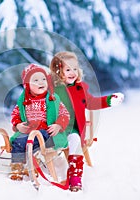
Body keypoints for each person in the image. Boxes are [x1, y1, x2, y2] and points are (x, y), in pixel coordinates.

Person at [49, 51, 124, 192]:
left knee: (75, 141)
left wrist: (109, 100)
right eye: (68, 69)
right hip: (56, 130)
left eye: (75, 69)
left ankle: (75, 177)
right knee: (59, 140)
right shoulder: (53, 89)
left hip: (74, 130)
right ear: (59, 71)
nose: (72, 72)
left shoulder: (80, 89)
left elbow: (92, 102)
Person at [9, 63, 70, 181]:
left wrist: (58, 125)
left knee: (40, 140)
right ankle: (17, 167)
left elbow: (64, 114)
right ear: (27, 85)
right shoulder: (23, 100)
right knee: (17, 142)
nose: (41, 82)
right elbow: (15, 114)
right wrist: (18, 125)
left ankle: (33, 163)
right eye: (35, 80)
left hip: (46, 131)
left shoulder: (53, 98)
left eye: (43, 79)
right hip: (28, 131)